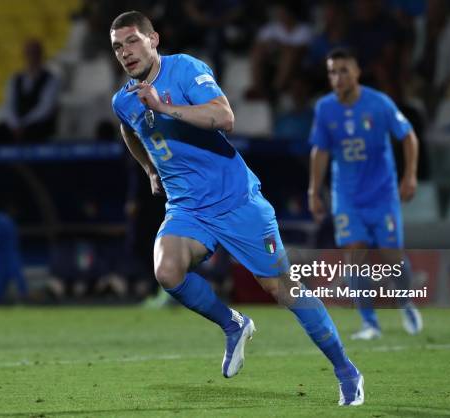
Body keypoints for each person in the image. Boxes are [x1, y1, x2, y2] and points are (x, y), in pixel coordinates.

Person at [110, 11, 364, 406]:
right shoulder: (123, 99)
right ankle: (233, 324)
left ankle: (346, 370)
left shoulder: (186, 69)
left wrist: (165, 108)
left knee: (282, 288)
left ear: (153, 39)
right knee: (167, 270)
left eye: (132, 41)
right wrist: (148, 168)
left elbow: (224, 117)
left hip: (236, 200)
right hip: (188, 208)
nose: (125, 52)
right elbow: (128, 127)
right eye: (117, 47)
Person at [308, 48, 423, 340]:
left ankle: (406, 302)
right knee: (355, 254)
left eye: (344, 70)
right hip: (346, 196)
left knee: (392, 255)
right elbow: (320, 150)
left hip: (382, 194)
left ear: (357, 72)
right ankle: (370, 323)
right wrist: (313, 189)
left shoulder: (379, 104)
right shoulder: (325, 108)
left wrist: (409, 175)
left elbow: (408, 136)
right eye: (333, 71)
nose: (338, 77)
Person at [0, 40, 60, 144]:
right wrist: (15, 125)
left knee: (33, 133)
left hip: (38, 123)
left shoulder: (51, 79)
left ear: (41, 55)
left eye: (35, 53)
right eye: (29, 53)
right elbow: (9, 105)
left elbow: (45, 108)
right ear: (24, 55)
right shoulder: (14, 79)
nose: (32, 57)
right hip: (17, 124)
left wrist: (25, 124)